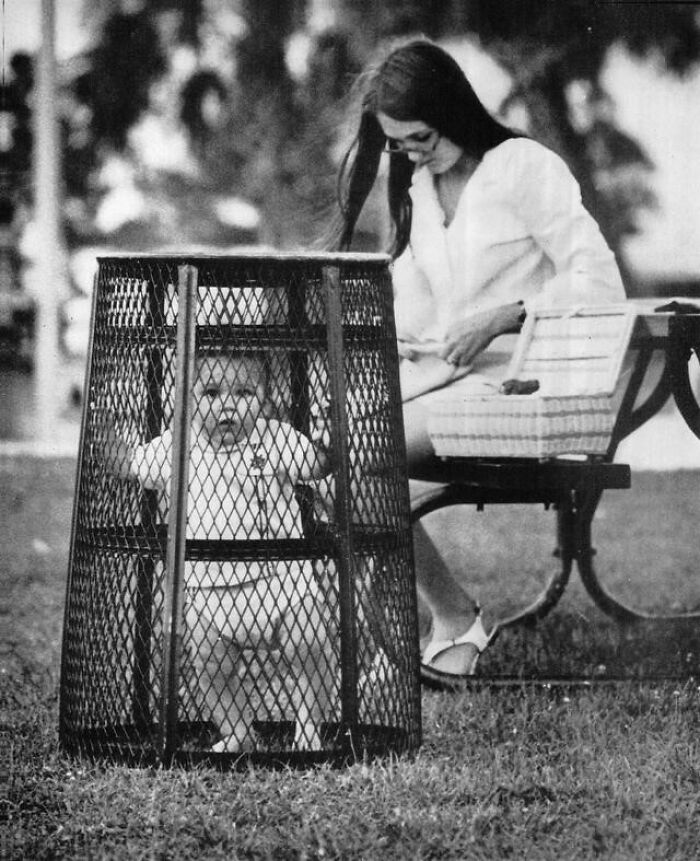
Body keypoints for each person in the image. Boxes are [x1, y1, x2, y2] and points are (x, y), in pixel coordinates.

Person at [330, 39, 626, 689]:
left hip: (526, 393)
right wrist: (401, 336)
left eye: (421, 136)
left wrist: (507, 313)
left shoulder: (522, 167)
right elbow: (421, 307)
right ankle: (411, 625)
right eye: (398, 144)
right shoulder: (420, 186)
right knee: (319, 449)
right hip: (449, 385)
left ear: (453, 110)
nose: (411, 152)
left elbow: (601, 282)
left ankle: (453, 617)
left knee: (355, 456)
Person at [103, 349, 334, 751]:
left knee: (309, 643)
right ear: (189, 399)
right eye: (211, 392)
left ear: (265, 399)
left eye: (244, 392)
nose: (227, 404)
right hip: (209, 592)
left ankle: (309, 731)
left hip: (281, 583)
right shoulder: (179, 445)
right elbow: (131, 465)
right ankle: (237, 732)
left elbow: (315, 465)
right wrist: (101, 429)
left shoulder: (276, 437)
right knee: (211, 665)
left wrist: (330, 439)